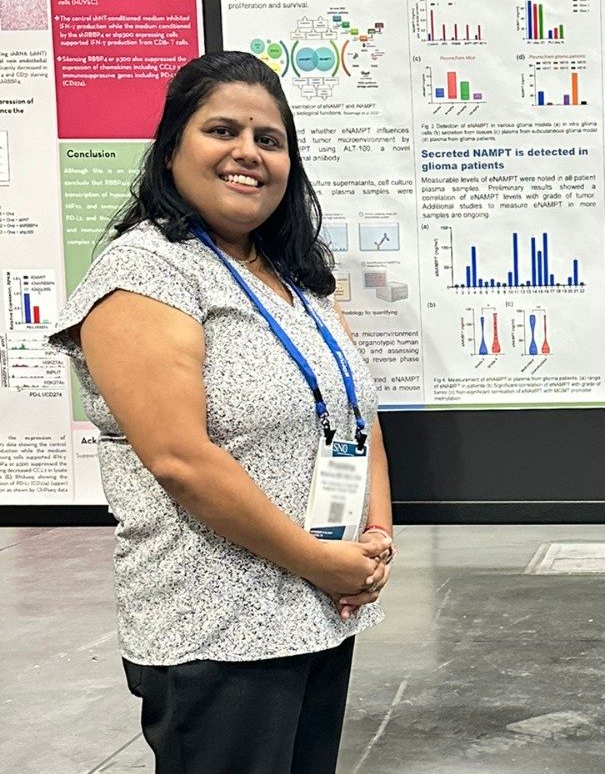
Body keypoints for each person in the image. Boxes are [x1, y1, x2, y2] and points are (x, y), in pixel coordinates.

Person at [48, 50, 394, 774]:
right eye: (223, 130)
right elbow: (181, 460)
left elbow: (354, 410)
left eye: (269, 139)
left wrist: (374, 536)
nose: (249, 153)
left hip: (314, 612)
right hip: (216, 632)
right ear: (174, 145)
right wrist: (325, 563)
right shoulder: (144, 271)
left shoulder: (294, 277)